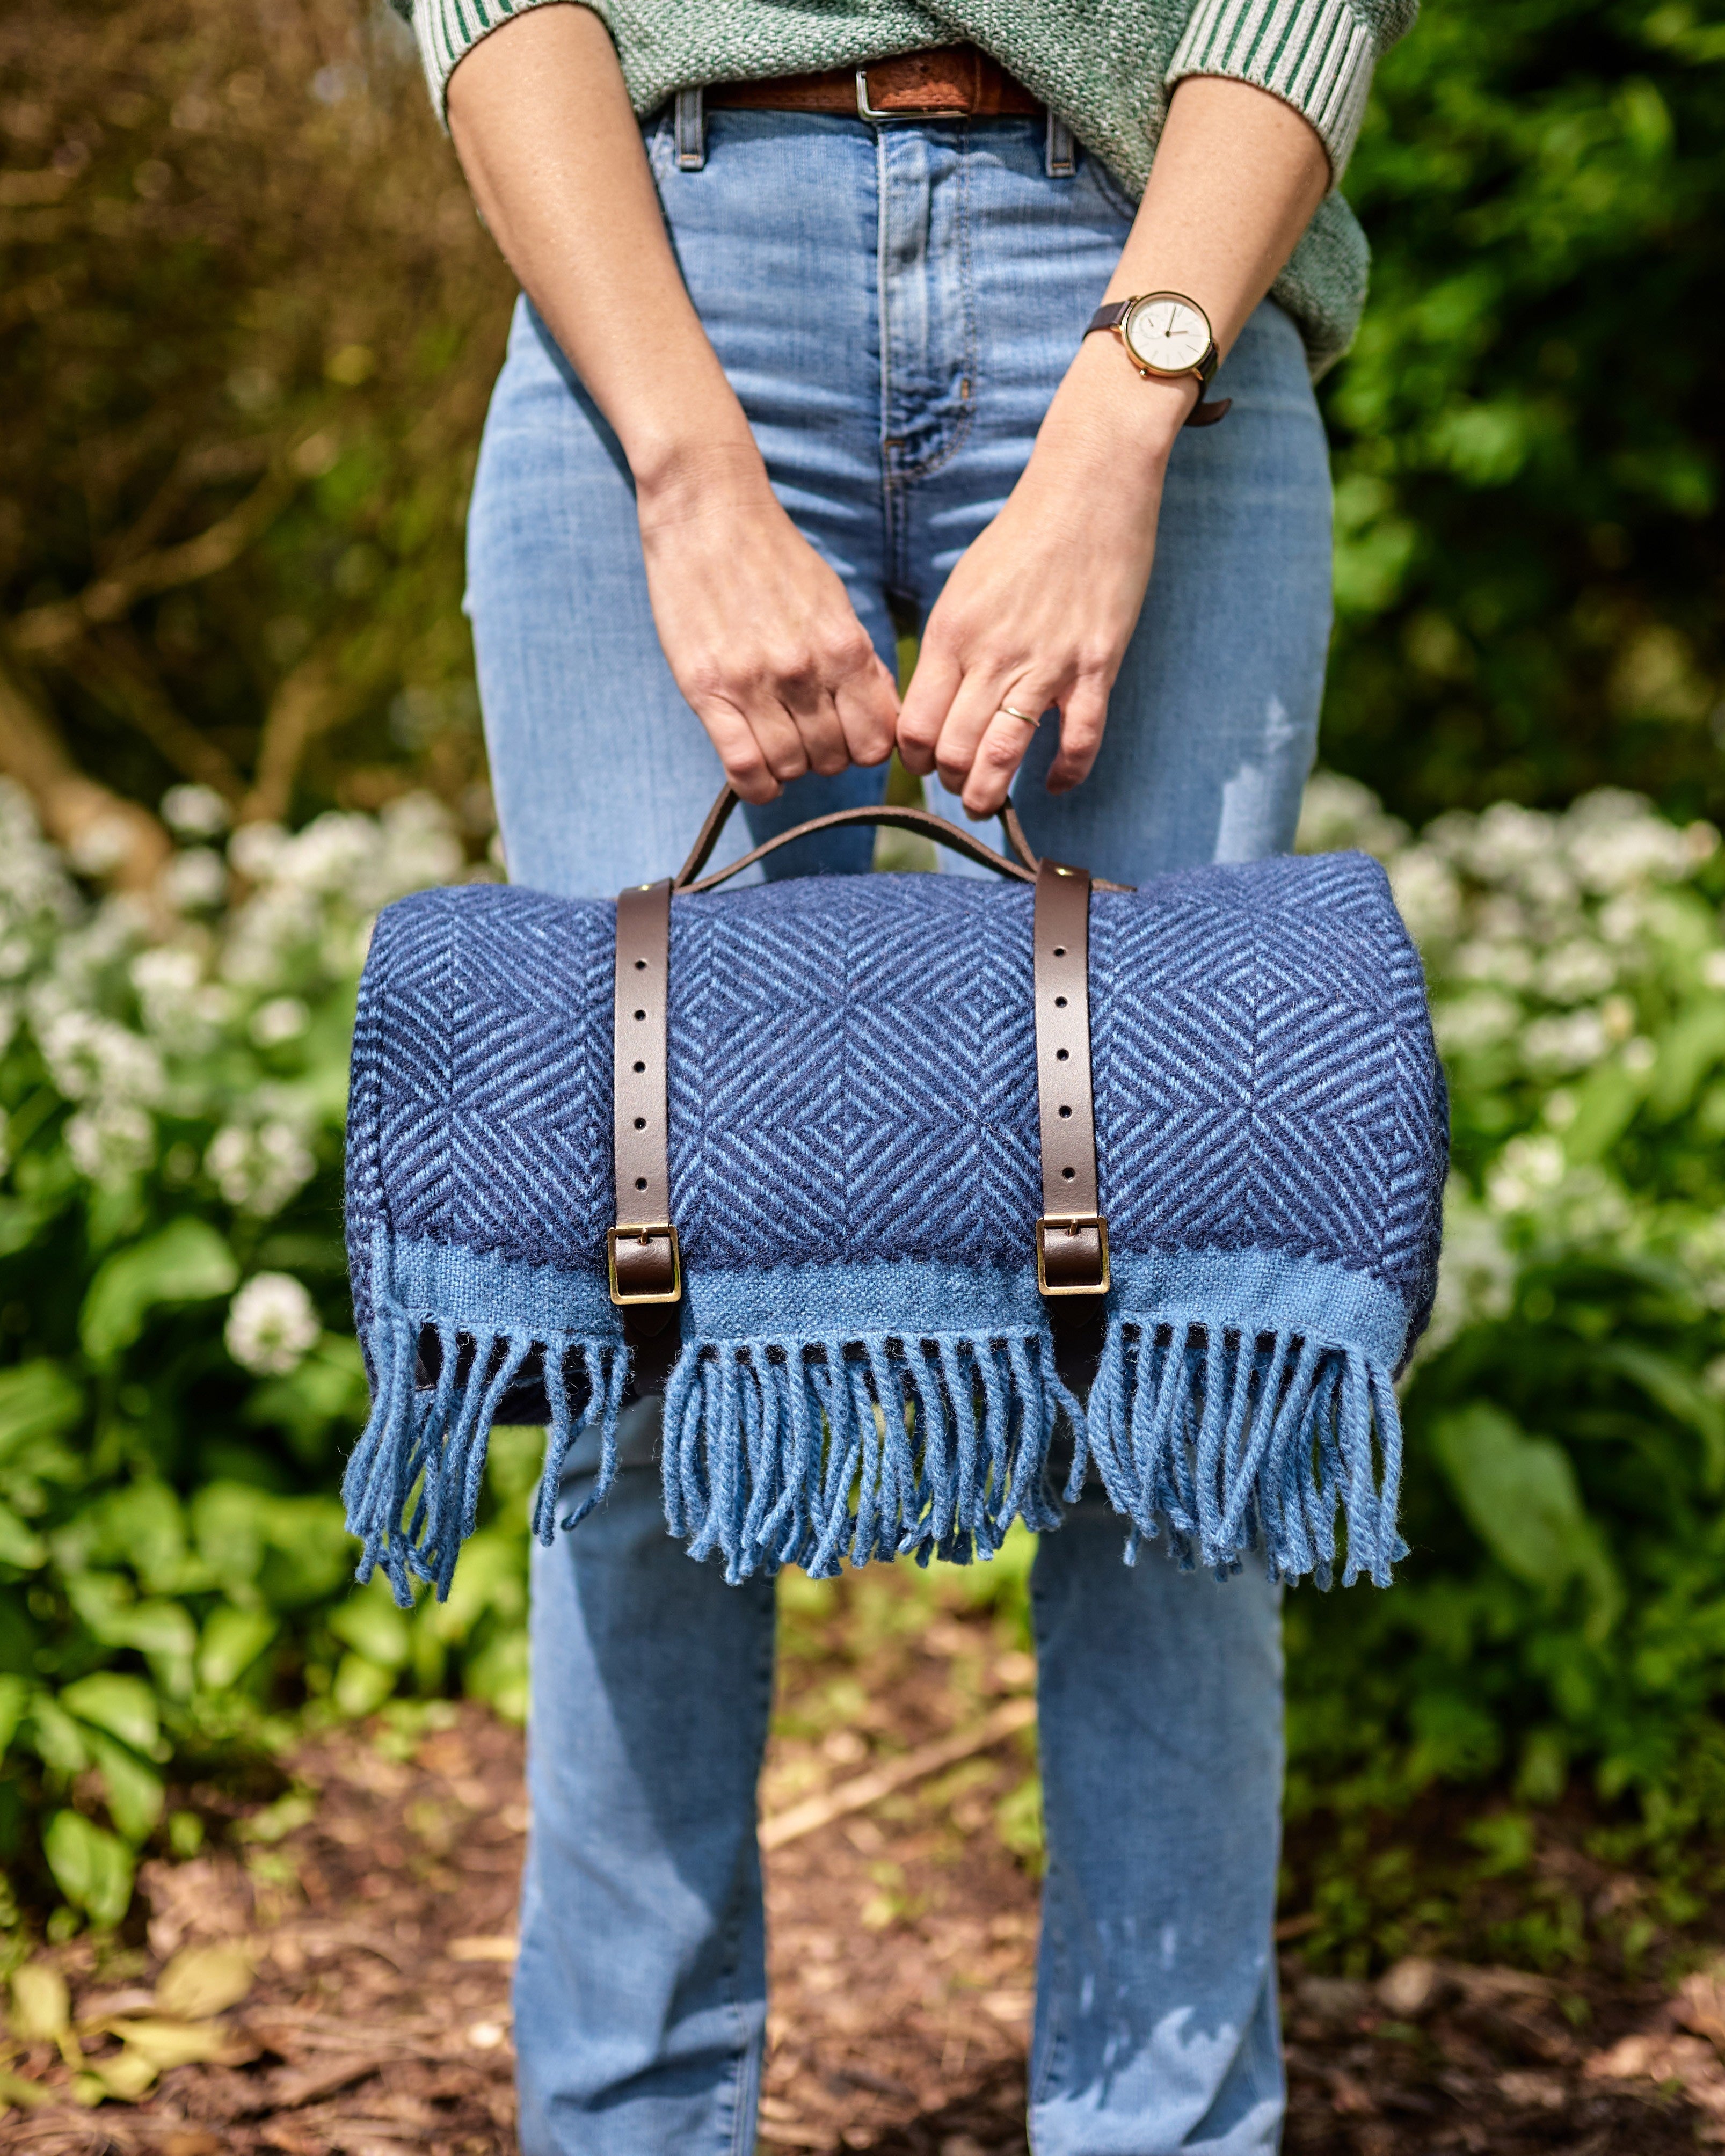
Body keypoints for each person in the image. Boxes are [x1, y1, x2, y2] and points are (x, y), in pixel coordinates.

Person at [390, 1, 1416, 2147]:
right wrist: (684, 468)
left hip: (1155, 281)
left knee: (1181, 1347)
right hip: (652, 274)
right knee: (641, 1321)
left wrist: (1126, 414)